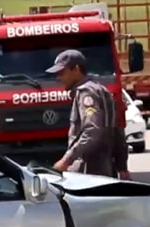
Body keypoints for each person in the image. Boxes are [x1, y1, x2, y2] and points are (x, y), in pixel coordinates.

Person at [46, 50, 130, 179]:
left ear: (77, 69)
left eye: (62, 73)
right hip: (105, 169)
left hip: (87, 170)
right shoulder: (101, 90)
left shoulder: (86, 93)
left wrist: (67, 160)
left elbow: (92, 131)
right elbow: (117, 130)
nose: (59, 78)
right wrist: (122, 167)